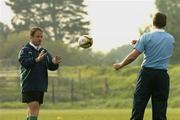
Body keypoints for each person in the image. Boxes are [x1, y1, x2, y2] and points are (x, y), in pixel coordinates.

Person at [113, 12, 175, 120]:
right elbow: (158, 46)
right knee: (160, 110)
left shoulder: (146, 37)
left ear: (153, 22)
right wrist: (140, 42)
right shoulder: (170, 39)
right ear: (165, 24)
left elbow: (133, 56)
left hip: (147, 74)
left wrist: (120, 64)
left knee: (139, 106)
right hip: (162, 76)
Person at [18, 27, 61, 120]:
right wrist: (36, 59)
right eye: (37, 36)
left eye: (41, 37)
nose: (40, 39)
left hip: (40, 85)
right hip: (29, 84)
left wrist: (55, 63)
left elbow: (51, 67)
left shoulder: (44, 51)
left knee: (32, 110)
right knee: (34, 108)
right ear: (31, 37)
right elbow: (24, 62)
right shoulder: (25, 50)